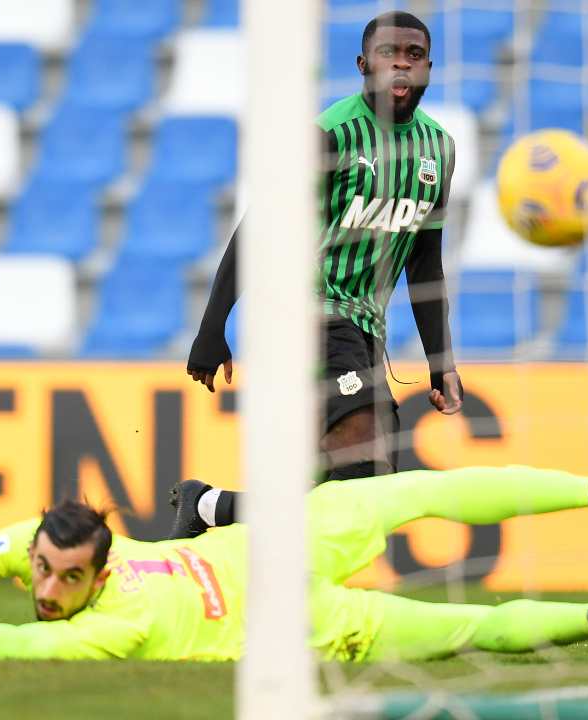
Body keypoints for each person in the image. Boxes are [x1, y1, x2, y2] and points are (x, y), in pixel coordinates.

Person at [0, 468, 588, 661]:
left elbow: (35, 654)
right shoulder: (71, 550)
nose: (50, 591)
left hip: (285, 590)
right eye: (44, 573)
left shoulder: (117, 624)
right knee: (464, 617)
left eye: (68, 579)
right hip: (281, 572)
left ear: (100, 573)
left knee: (431, 508)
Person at [186, 11, 462, 529]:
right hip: (305, 314)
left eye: (414, 55)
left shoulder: (438, 150)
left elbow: (426, 261)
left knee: (361, 488)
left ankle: (209, 508)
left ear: (428, 68)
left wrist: (440, 362)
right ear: (363, 64)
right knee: (364, 451)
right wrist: (211, 328)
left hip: (364, 329)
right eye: (388, 53)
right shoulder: (333, 135)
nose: (401, 64)